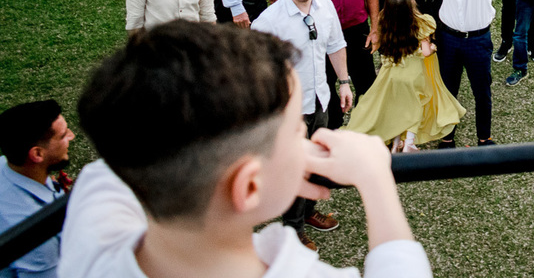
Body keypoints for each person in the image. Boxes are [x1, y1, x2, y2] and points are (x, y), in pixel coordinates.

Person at [61, 21, 431, 278]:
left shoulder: (94, 240)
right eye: (297, 131)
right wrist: (375, 178)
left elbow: (111, 167)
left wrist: (276, 163)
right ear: (250, 186)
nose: (306, 139)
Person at [250, 0, 354, 250]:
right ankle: (292, 230)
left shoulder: (326, 6)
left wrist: (343, 82)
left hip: (321, 100)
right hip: (289, 111)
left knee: (316, 162)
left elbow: (336, 45)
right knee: (294, 169)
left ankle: (308, 211)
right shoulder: (269, 21)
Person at [393, 0, 498, 148]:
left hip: (478, 39)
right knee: (448, 89)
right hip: (449, 38)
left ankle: (485, 138)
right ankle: (447, 138)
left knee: (482, 91)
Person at [347, 0, 465, 153]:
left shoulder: (383, 21)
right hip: (413, 74)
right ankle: (409, 142)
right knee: (414, 106)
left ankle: (396, 142)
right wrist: (433, 48)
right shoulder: (422, 23)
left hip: (392, 73)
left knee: (398, 106)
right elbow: (425, 52)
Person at [312, 0, 378, 130]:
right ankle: (334, 126)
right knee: (326, 82)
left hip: (357, 30)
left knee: (367, 81)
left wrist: (374, 28)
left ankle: (366, 125)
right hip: (325, 36)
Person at [0, 100, 74, 278]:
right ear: (37, 154)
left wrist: (51, 187)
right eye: (63, 135)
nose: (71, 136)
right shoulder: (38, 237)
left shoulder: (7, 164)